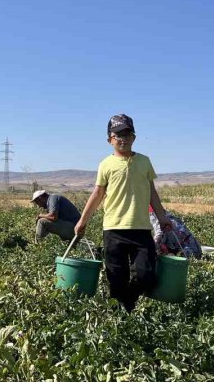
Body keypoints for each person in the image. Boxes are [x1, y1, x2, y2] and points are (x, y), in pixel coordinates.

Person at [74, 114, 172, 311]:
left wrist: (162, 218)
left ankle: (130, 302)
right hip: (113, 229)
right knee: (116, 279)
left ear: (134, 137)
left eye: (127, 134)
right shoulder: (105, 164)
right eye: (117, 135)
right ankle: (121, 318)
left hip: (141, 229)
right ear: (109, 140)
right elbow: (98, 193)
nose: (123, 139)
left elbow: (152, 192)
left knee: (146, 275)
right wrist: (82, 221)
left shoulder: (144, 162)